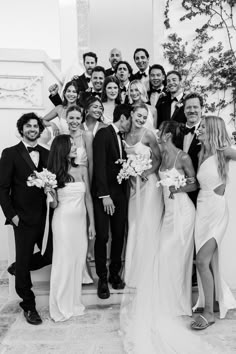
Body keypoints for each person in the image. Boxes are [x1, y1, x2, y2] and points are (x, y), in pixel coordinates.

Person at [120, 121, 216, 354]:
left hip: (183, 213)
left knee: (178, 259)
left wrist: (177, 188)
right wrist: (131, 171)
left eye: (160, 131)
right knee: (164, 257)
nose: (156, 134)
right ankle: (168, 301)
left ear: (168, 134)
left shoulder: (183, 158)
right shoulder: (160, 156)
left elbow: (194, 185)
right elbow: (147, 172)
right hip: (168, 215)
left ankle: (179, 304)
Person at [0, 113, 52, 325]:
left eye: (35, 126)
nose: (32, 129)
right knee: (23, 262)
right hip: (22, 218)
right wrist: (12, 216)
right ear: (21, 129)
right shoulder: (10, 153)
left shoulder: (47, 153)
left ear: (40, 130)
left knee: (51, 255)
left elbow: (53, 183)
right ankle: (29, 306)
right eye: (28, 126)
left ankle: (19, 266)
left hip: (46, 217)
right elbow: (3, 188)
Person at [191, 116, 236, 330]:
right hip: (202, 209)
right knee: (204, 261)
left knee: (202, 260)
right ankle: (211, 303)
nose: (198, 130)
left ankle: (209, 313)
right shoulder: (202, 153)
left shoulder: (223, 152)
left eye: (202, 127)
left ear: (212, 130)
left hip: (217, 210)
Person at [47, 135, 95, 322]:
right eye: (72, 145)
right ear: (62, 149)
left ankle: (74, 303)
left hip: (80, 223)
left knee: (77, 261)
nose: (76, 147)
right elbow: (53, 205)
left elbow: (88, 197)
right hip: (63, 223)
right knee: (64, 262)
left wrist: (91, 224)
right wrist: (49, 192)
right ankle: (60, 304)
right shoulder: (52, 173)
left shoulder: (82, 169)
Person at [92, 104, 133, 299]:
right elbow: (99, 165)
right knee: (102, 236)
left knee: (118, 235)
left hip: (121, 195)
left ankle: (115, 274)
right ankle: (102, 278)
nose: (131, 124)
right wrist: (104, 195)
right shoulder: (103, 134)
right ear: (124, 118)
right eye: (130, 120)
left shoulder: (124, 138)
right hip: (104, 195)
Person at [123, 103, 163, 287]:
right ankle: (133, 272)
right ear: (131, 114)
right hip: (132, 186)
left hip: (148, 184)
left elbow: (158, 157)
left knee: (147, 223)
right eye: (138, 115)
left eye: (143, 116)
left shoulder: (148, 134)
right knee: (134, 224)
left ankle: (148, 270)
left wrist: (147, 172)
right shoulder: (124, 134)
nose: (140, 119)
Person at [66, 105, 93, 183]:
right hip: (66, 181)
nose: (74, 121)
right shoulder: (63, 137)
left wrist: (89, 185)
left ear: (81, 119)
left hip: (82, 181)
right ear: (66, 119)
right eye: (71, 118)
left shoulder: (87, 135)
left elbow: (91, 163)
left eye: (78, 118)